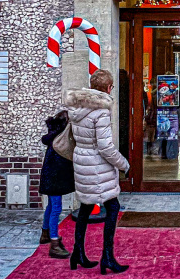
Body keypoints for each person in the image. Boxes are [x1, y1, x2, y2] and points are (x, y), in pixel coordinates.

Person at [63, 69, 131, 274]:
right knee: (112, 206)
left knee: (85, 205)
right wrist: (124, 164)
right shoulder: (101, 111)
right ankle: (107, 257)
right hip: (97, 165)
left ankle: (78, 252)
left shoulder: (77, 108)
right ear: (109, 88)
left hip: (82, 161)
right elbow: (105, 147)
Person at [39, 110, 76, 259]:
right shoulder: (61, 140)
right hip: (55, 177)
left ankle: (45, 233)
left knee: (50, 206)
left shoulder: (53, 137)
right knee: (56, 208)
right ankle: (54, 243)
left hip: (49, 176)